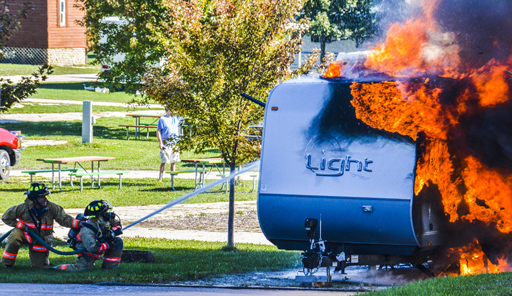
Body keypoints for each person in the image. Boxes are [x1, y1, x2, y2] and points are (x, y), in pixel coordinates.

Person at [2, 183, 82, 269]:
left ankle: (44, 261)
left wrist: (78, 223)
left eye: (45, 196)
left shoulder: (52, 208)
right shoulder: (23, 208)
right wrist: (22, 226)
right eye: (42, 197)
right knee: (15, 235)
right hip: (26, 234)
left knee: (39, 267)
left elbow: (64, 219)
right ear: (34, 199)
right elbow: (6, 217)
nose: (45, 199)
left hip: (41, 239)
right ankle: (8, 264)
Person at [52, 200, 123, 271]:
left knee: (117, 241)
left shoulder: (104, 220)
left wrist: (112, 231)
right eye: (105, 213)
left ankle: (110, 267)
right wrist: (108, 244)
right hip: (86, 250)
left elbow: (117, 224)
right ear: (99, 216)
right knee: (81, 269)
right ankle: (57, 268)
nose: (107, 214)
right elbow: (92, 248)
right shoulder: (87, 230)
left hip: (100, 245)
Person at [156, 109, 183, 182]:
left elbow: (184, 115)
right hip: (166, 143)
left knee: (173, 161)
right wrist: (160, 142)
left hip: (174, 143)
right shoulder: (162, 119)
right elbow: (158, 131)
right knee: (163, 161)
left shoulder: (176, 118)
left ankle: (172, 178)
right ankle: (160, 177)